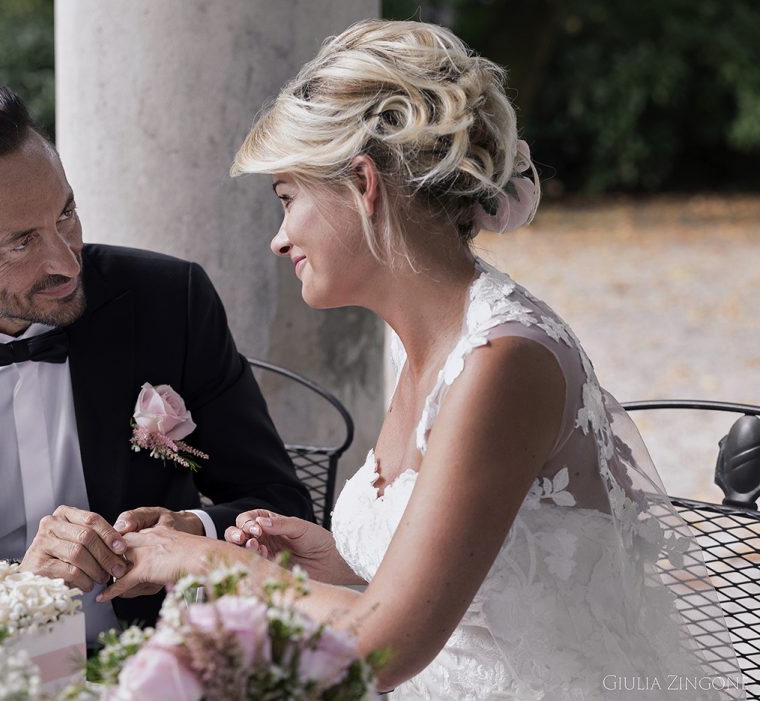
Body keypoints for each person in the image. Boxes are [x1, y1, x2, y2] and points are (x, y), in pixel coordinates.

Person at [100, 20, 743, 699]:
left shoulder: (502, 361)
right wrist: (337, 566)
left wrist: (202, 558)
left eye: (287, 200)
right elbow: (468, 586)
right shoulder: (431, 343)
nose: (278, 239)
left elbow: (384, 647)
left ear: (362, 184)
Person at [0, 86, 313, 646]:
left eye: (66, 213)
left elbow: (279, 499)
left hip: (156, 656)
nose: (64, 258)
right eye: (22, 242)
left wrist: (191, 529)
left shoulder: (169, 302)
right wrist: (11, 589)